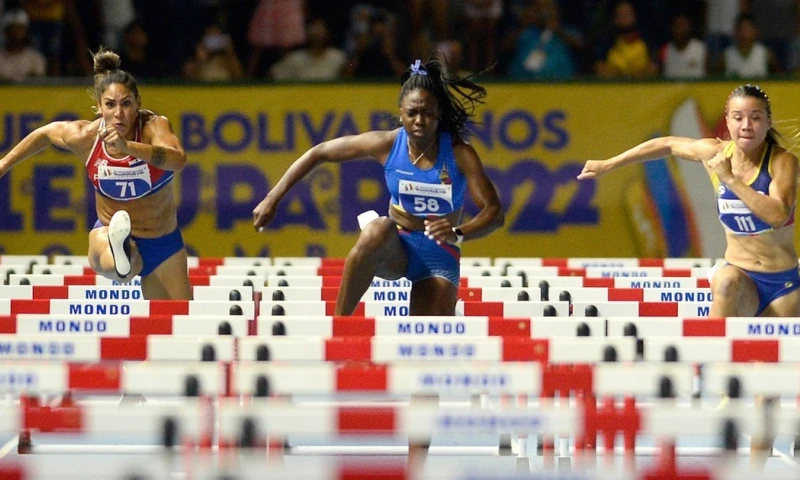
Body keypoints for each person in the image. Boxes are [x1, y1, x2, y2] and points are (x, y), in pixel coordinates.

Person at [253, 54, 503, 317]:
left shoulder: (459, 153)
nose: (419, 120)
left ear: (439, 114)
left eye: (428, 113)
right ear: (401, 114)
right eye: (412, 113)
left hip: (439, 252)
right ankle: (339, 325)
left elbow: (494, 212)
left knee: (426, 334)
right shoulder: (387, 143)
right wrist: (272, 198)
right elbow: (319, 153)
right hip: (397, 247)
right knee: (377, 228)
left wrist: (457, 233)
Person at [578, 84, 799, 320]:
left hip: (781, 283)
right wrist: (609, 164)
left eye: (755, 117)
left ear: (767, 121)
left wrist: (730, 179)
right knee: (726, 281)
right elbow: (667, 144)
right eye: (738, 118)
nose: (746, 125)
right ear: (727, 121)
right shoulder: (714, 153)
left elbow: (778, 216)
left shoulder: (782, 162)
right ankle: (712, 343)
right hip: (740, 276)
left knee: (768, 345)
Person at [0, 48, 191, 300]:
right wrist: (3, 164)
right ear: (99, 107)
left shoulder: (154, 126)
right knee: (122, 266)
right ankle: (121, 252)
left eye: (126, 104)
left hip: (162, 242)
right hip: (107, 234)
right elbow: (44, 134)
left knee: (176, 318)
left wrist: (128, 147)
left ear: (138, 104)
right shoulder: (87, 137)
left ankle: (124, 258)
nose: (119, 113)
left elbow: (178, 160)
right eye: (110, 105)